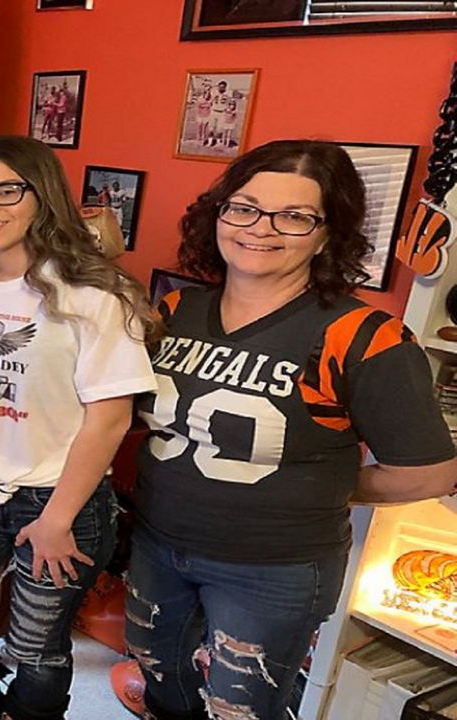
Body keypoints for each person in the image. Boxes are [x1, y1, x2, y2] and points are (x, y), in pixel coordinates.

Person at [127, 140, 457, 720]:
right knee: (161, 681)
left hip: (271, 569)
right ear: (219, 213)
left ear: (329, 233)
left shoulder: (362, 335)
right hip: (158, 543)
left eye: (295, 216)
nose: (261, 228)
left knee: (241, 710)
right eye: (245, 207)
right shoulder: (174, 309)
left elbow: (431, 470)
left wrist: (324, 486)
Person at [0, 136, 157, 720]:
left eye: (4, 191)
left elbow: (111, 417)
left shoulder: (97, 295)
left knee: (35, 649)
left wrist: (57, 518)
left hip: (57, 498)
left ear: (42, 197)